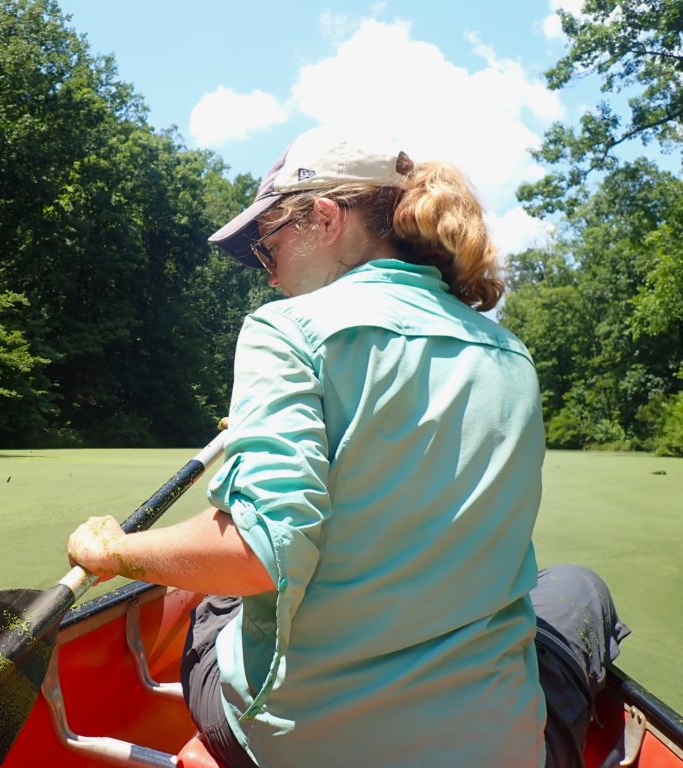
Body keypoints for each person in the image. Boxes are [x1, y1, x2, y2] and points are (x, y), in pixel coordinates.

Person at [67, 127, 626, 767]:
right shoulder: (509, 351)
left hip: (305, 745)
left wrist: (114, 551)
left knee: (211, 598)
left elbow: (257, 552)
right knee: (578, 587)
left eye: (265, 244)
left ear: (326, 218)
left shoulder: (287, 328)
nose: (267, 273)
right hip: (494, 748)